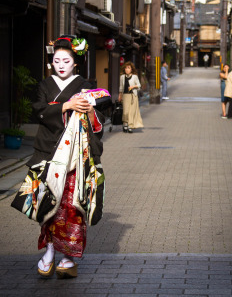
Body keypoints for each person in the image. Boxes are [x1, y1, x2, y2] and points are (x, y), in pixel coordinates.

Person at [11, 36, 107, 279]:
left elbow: (103, 107)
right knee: (48, 202)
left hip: (76, 156)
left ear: (76, 63)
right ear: (51, 63)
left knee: (72, 206)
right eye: (56, 60)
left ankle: (69, 256)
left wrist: (88, 106)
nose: (61, 65)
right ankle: (51, 250)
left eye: (67, 60)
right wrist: (65, 106)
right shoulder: (45, 85)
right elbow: (37, 110)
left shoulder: (84, 84)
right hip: (49, 152)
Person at [118, 61, 143, 133]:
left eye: (128, 68)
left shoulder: (135, 77)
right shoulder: (122, 77)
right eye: (126, 68)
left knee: (131, 111)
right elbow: (121, 87)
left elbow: (139, 85)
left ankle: (130, 126)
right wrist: (120, 95)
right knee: (125, 111)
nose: (127, 69)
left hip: (133, 96)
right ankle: (125, 124)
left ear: (131, 69)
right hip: (125, 96)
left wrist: (133, 86)